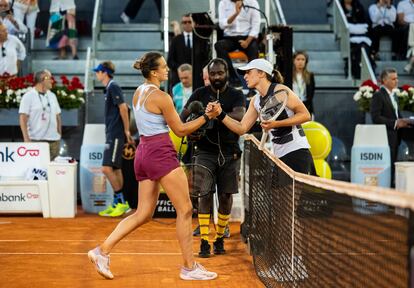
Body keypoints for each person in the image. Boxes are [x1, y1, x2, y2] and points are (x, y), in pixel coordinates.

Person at [88, 51, 218, 281]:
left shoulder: (139, 92)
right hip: (159, 152)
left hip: (144, 152)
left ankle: (102, 251)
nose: (168, 69)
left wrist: (188, 116)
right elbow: (180, 129)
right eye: (164, 67)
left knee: (143, 212)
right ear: (154, 72)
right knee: (186, 209)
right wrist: (208, 116)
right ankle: (189, 268)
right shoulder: (161, 96)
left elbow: (167, 121)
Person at [181, 58, 245, 257]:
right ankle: (204, 242)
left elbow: (240, 115)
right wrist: (198, 121)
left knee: (226, 196)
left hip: (230, 152)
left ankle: (219, 238)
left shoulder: (236, 94)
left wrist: (218, 113)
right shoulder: (199, 93)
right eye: (213, 74)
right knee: (204, 195)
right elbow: (183, 116)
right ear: (208, 75)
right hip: (204, 151)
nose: (217, 77)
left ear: (227, 73)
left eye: (220, 73)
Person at [209, 58, 315, 175]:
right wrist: (220, 114)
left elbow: (305, 115)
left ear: (261, 73)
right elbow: (241, 128)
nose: (245, 77)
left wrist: (276, 124)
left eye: (248, 72)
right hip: (278, 156)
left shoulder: (281, 90)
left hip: (297, 151)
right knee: (279, 194)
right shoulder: (256, 100)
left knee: (297, 193)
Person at [93, 61, 135, 217]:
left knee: (106, 168)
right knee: (116, 168)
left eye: (98, 71)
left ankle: (121, 202)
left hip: (116, 134)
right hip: (112, 133)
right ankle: (118, 203)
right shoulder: (109, 88)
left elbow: (123, 108)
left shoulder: (113, 86)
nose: (96, 74)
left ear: (104, 72)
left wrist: (126, 130)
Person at [370, 68, 412, 186]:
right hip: (386, 137)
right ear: (384, 80)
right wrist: (395, 123)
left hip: (395, 137)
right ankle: (386, 189)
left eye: (397, 78)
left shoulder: (393, 96)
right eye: (393, 79)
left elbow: (397, 115)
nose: (396, 81)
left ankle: (390, 188)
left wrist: (406, 121)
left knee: (392, 166)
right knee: (386, 167)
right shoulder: (378, 95)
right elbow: (376, 117)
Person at [215, 0, 260, 86]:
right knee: (219, 46)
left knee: (254, 49)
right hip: (230, 37)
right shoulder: (223, 3)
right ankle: (233, 78)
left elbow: (256, 25)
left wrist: (247, 41)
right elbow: (222, 25)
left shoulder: (252, 3)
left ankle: (253, 84)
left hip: (247, 37)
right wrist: (236, 13)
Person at [19, 70, 61, 160]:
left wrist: (59, 133)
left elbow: (57, 116)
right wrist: (26, 139)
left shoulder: (52, 95)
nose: (52, 81)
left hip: (54, 141)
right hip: (36, 140)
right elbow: (23, 118)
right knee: (37, 169)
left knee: (53, 171)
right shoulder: (28, 96)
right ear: (43, 80)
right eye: (50, 79)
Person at [292, 51, 315, 116]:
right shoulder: (289, 76)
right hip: (292, 107)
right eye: (298, 59)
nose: (300, 62)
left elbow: (311, 94)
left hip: (306, 107)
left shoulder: (310, 75)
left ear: (306, 62)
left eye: (303, 59)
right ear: (294, 61)